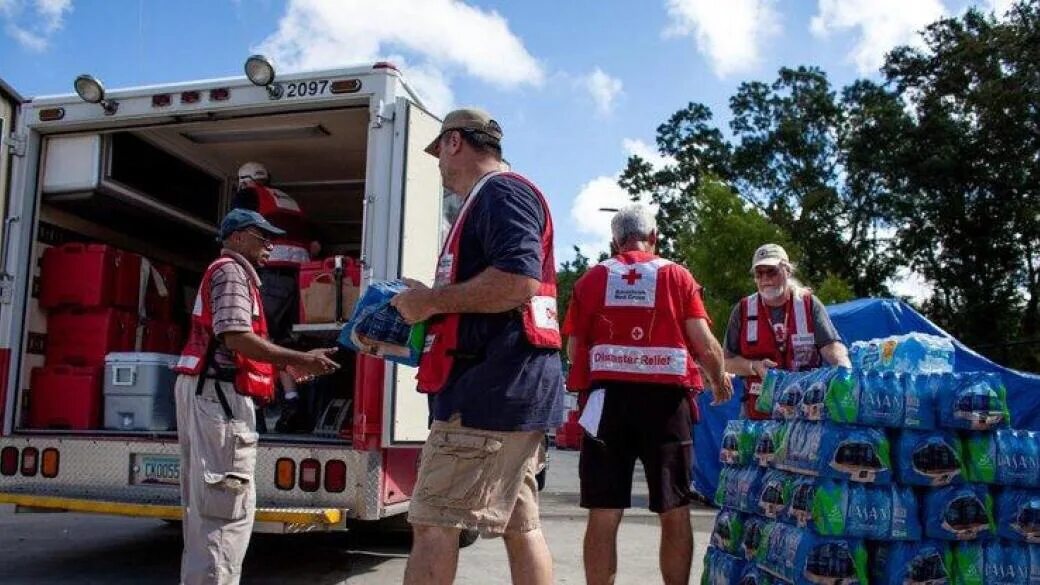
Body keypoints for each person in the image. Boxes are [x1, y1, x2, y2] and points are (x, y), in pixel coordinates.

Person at [390, 108, 564, 585]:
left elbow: (517, 280)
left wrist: (429, 302)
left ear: (454, 143)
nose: (440, 169)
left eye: (439, 155)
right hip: (509, 389)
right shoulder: (493, 197)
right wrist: (429, 300)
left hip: (488, 390)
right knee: (519, 524)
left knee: (432, 522)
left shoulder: (500, 193)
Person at [562, 204, 733, 585]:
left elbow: (574, 350)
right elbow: (704, 344)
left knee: (603, 511)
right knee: (674, 509)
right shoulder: (677, 275)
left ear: (613, 241)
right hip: (666, 405)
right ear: (654, 238)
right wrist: (719, 379)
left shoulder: (591, 279)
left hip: (607, 404)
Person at [173, 208, 339, 585]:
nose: (270, 244)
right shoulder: (232, 273)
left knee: (208, 510)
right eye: (261, 237)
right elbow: (236, 337)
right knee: (224, 511)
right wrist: (299, 358)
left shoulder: (230, 273)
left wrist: (288, 365)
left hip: (209, 392)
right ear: (235, 238)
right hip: (219, 396)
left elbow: (237, 343)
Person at [232, 162, 321, 433]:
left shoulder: (249, 196)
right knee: (280, 340)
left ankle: (258, 403)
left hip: (271, 276)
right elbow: (316, 245)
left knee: (255, 338)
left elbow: (238, 231)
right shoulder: (290, 201)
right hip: (300, 280)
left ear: (246, 181)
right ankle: (292, 401)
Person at [723, 243, 851, 420]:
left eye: (772, 271)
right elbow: (726, 361)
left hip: (805, 411)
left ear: (787, 271)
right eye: (759, 273)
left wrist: (845, 368)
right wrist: (754, 366)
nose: (765, 278)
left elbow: (830, 346)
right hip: (758, 414)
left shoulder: (808, 304)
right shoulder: (743, 310)